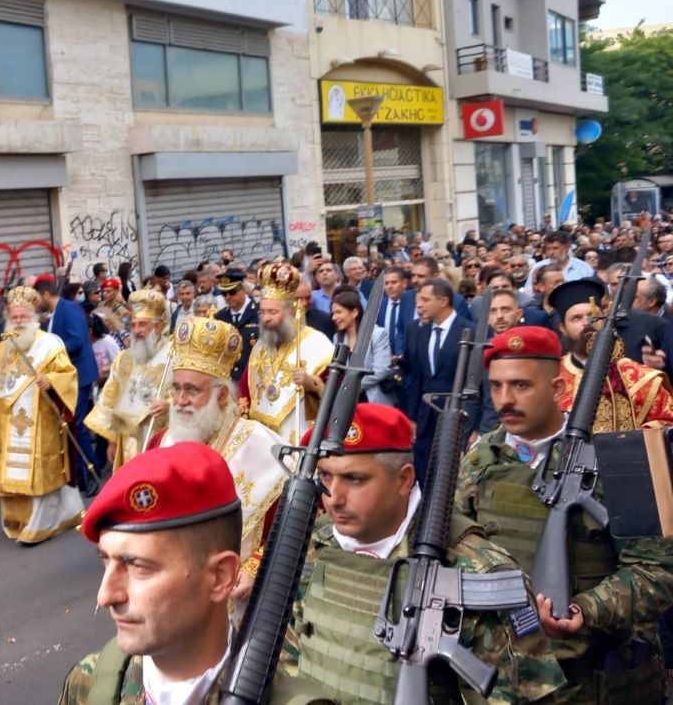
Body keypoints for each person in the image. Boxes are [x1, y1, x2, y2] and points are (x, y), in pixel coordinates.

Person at [279, 401, 565, 704]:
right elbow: (288, 667)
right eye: (325, 477)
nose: (334, 498)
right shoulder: (312, 543)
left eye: (354, 479)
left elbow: (519, 695)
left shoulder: (476, 572)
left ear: (403, 479)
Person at [457, 326, 673, 702]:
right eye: (496, 386)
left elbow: (658, 572)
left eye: (521, 385)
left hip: (590, 678)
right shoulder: (480, 460)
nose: (505, 399)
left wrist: (586, 609)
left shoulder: (618, 460)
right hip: (501, 679)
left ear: (557, 388)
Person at [59, 444, 255, 705]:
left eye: (139, 566)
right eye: (106, 560)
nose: (105, 596)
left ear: (220, 577)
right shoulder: (89, 683)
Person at [148, 316, 287, 583]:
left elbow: (289, 528)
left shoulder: (263, 447)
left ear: (222, 396)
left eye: (191, 390)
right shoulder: (160, 442)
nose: (179, 401)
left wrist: (255, 567)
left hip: (237, 590)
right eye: (176, 389)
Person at [0, 286, 83, 544]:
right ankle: (16, 520)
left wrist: (51, 380)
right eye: (15, 317)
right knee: (12, 471)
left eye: (23, 316)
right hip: (9, 423)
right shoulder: (2, 348)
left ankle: (40, 523)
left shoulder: (50, 344)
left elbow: (68, 374)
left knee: (40, 470)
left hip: (41, 420)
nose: (19, 321)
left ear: (33, 317)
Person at [548, 278, 673, 423]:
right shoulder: (552, 377)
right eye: (576, 318)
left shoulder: (640, 377)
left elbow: (665, 423)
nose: (587, 323)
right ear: (563, 328)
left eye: (593, 315)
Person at [241, 262, 332, 442]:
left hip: (300, 435)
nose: (266, 318)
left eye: (272, 312)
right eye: (262, 312)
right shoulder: (261, 345)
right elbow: (245, 391)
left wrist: (312, 383)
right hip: (263, 439)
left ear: (291, 311)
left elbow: (339, 395)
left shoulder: (318, 343)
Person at [85, 289, 173, 471]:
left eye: (142, 324)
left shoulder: (174, 355)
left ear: (157, 327)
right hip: (128, 440)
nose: (137, 330)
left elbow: (192, 391)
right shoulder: (124, 358)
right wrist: (112, 440)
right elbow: (110, 399)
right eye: (133, 325)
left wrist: (170, 404)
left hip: (163, 436)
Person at [401, 277, 475, 480]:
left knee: (451, 476)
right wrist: (412, 418)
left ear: (443, 301)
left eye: (425, 300)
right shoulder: (417, 331)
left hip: (456, 416)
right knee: (424, 472)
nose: (418, 305)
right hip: (425, 418)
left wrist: (473, 427)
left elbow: (475, 383)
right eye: (417, 300)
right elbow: (417, 378)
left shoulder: (469, 331)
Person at [37, 276, 104, 492]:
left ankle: (92, 472)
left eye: (37, 298)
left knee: (78, 425)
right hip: (69, 376)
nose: (36, 303)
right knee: (72, 424)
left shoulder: (69, 309)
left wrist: (49, 353)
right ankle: (81, 475)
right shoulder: (57, 312)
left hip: (79, 374)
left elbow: (77, 340)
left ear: (45, 294)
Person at [331, 288, 393, 404]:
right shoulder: (337, 338)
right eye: (333, 313)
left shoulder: (377, 334)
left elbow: (381, 370)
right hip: (347, 402)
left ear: (354, 312)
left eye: (338, 312)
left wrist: (351, 387)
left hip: (373, 400)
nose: (334, 317)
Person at [214, 267, 260, 382]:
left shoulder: (260, 312)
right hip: (229, 380)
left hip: (253, 378)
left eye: (232, 292)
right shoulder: (220, 317)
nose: (228, 297)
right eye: (224, 294)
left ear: (243, 289)